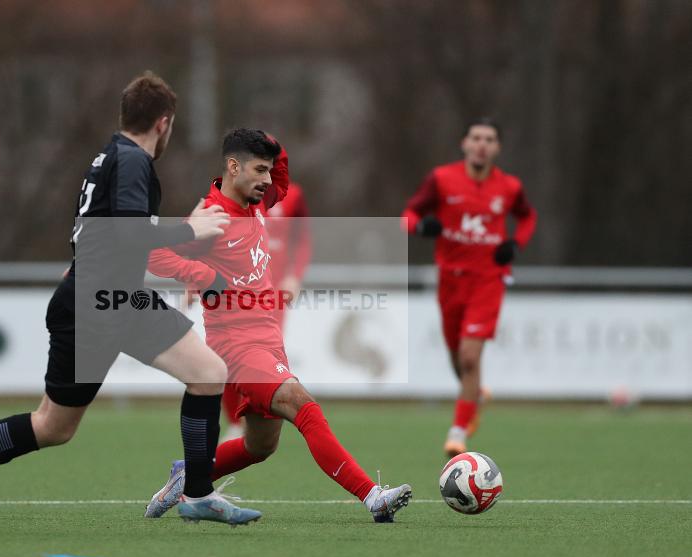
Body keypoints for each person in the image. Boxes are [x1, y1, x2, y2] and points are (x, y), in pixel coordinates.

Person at [0, 72, 262, 527]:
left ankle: (196, 494)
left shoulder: (109, 157)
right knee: (53, 426)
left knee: (208, 372)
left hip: (112, 299)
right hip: (96, 306)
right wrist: (190, 231)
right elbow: (128, 234)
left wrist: (182, 236)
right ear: (164, 122)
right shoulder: (133, 161)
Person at [144, 129, 411, 523]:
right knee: (304, 406)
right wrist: (199, 273)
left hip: (268, 340)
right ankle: (373, 497)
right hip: (235, 347)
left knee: (259, 446)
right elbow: (153, 257)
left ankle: (189, 473)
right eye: (259, 170)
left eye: (268, 170)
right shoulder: (211, 216)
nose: (269, 180)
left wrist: (266, 141)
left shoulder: (255, 200)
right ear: (233, 167)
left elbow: (282, 174)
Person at [401, 117, 537, 457]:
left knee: (469, 356)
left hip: (488, 280)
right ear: (464, 143)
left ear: (497, 147)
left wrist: (515, 244)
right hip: (450, 280)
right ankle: (474, 396)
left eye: (489, 139)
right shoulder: (442, 179)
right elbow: (408, 215)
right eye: (476, 138)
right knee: (457, 359)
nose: (481, 144)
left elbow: (528, 217)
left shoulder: (509, 187)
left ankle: (458, 431)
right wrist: (422, 227)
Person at [219, 181, 312, 441]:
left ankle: (261, 424)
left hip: (274, 294)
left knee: (266, 358)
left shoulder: (293, 196)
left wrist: (295, 276)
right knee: (229, 358)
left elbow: (302, 240)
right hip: (238, 291)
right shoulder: (235, 192)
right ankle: (236, 423)